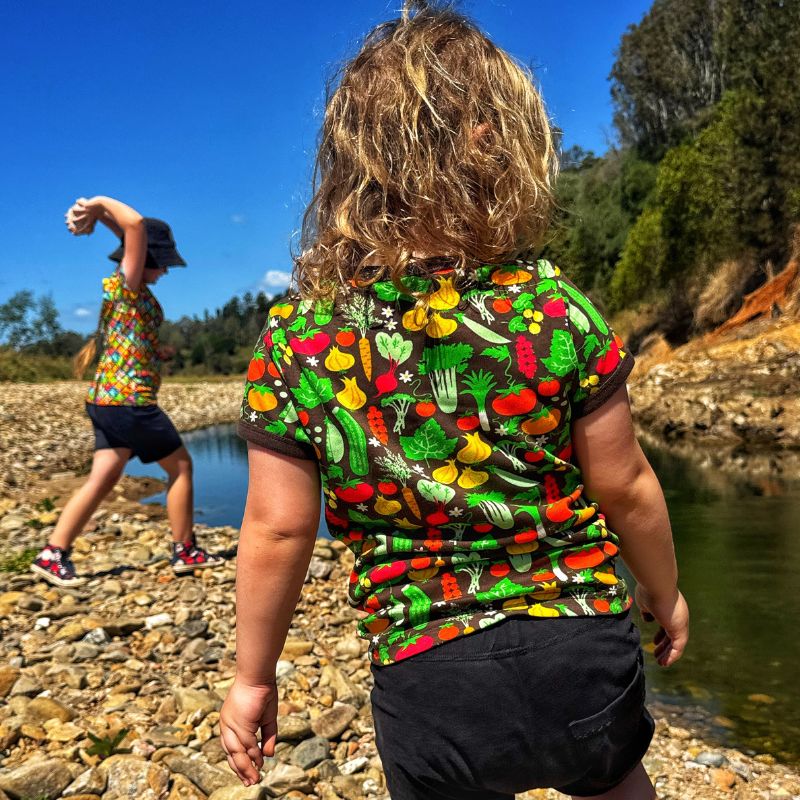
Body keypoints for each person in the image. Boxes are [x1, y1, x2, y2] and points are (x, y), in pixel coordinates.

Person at [219, 4, 689, 798]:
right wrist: (665, 590)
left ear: (349, 168)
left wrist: (252, 677)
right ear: (506, 151)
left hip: (427, 666)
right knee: (616, 782)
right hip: (578, 637)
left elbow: (278, 526)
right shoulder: (552, 309)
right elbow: (625, 485)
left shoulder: (300, 340)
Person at [30, 196, 223, 588]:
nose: (167, 270)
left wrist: (99, 217)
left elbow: (131, 233)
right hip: (129, 401)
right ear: (147, 258)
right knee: (182, 467)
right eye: (164, 261)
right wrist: (98, 203)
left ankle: (53, 553)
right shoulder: (128, 282)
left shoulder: (128, 291)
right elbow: (134, 226)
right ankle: (185, 550)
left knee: (102, 478)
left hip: (106, 400)